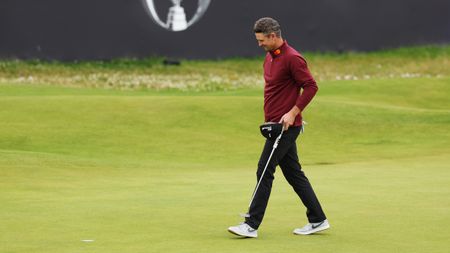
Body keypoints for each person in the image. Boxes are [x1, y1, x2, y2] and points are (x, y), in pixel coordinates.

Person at [228, 17, 329, 238]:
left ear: (273, 36)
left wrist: (293, 113)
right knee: (294, 174)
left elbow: (311, 86)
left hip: (285, 127)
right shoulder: (269, 58)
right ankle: (318, 219)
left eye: (262, 40)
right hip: (274, 126)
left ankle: (251, 225)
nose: (259, 44)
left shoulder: (293, 58)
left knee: (264, 170)